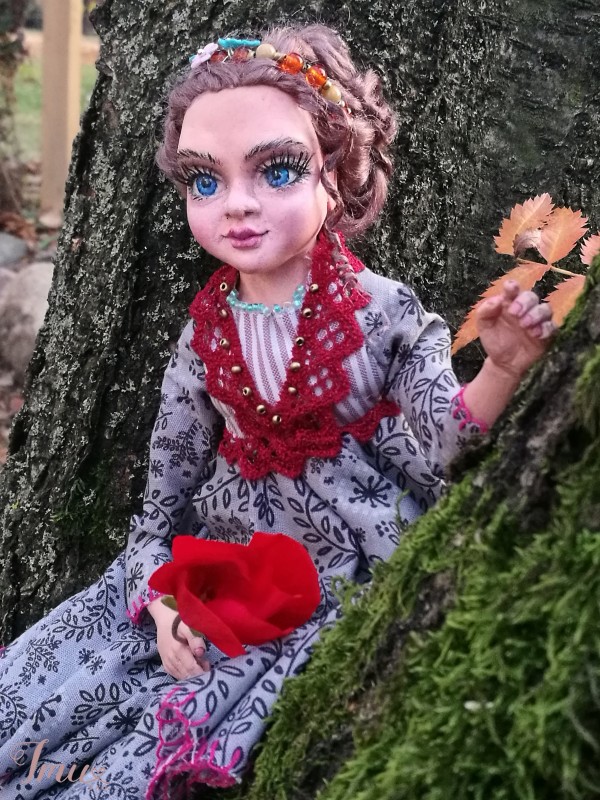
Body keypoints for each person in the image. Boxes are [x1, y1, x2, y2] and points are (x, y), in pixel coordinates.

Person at [0, 23, 554, 800]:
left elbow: (447, 445)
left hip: (348, 565)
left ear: (337, 172)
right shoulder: (205, 334)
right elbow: (162, 498)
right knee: (56, 700)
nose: (237, 205)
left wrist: (500, 368)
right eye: (205, 181)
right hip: (224, 562)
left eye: (279, 170)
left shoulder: (383, 313)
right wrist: (162, 602)